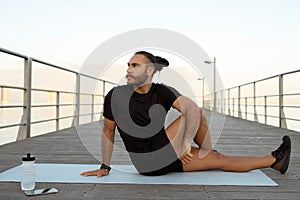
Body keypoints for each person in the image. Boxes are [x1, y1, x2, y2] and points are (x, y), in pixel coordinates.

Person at [81, 51, 291, 178]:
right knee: (195, 113)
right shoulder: (116, 96)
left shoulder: (162, 91)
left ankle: (275, 160)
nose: (128, 69)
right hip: (147, 161)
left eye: (134, 65)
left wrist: (185, 143)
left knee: (219, 159)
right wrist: (104, 166)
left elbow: (190, 109)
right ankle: (204, 150)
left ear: (149, 71)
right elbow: (108, 131)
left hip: (167, 152)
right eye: (128, 65)